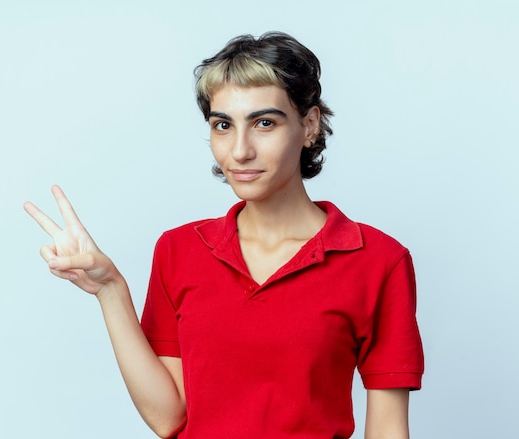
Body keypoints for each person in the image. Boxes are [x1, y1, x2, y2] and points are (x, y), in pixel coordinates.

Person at [24, 31, 424, 439]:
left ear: (309, 125)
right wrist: (110, 290)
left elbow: (388, 429)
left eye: (264, 123)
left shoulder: (378, 260)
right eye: (222, 125)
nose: (240, 151)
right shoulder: (178, 250)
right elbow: (168, 419)